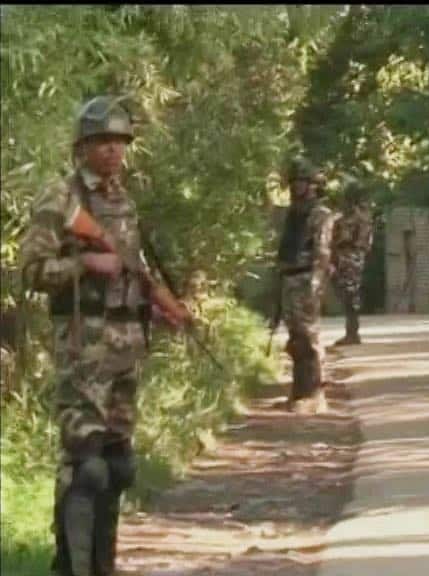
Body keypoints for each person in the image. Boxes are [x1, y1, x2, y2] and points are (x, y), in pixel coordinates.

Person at [19, 95, 181, 576]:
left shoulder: (122, 200)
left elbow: (133, 268)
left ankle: (103, 567)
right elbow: (30, 271)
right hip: (82, 347)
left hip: (126, 345)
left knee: (118, 464)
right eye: (102, 140)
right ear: (82, 146)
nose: (113, 149)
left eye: (120, 141)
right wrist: (85, 263)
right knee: (85, 466)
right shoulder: (61, 198)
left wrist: (160, 305)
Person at [276, 157, 335, 413]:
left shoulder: (319, 214)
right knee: (296, 339)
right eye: (293, 181)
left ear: (312, 185)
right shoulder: (293, 213)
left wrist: (316, 282)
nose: (295, 186)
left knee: (309, 338)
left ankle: (314, 395)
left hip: (306, 279)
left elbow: (323, 252)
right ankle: (299, 392)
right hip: (290, 278)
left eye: (301, 181)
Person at [330, 176, 373, 346]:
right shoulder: (360, 213)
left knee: (350, 293)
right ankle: (351, 332)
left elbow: (346, 237)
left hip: (351, 256)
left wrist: (335, 239)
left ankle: (352, 333)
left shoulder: (355, 215)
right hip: (350, 255)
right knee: (348, 293)